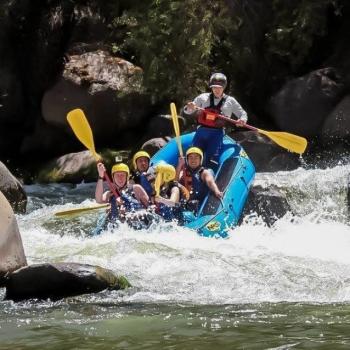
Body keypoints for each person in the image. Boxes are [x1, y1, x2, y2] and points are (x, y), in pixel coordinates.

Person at [183, 72, 248, 167]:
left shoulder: (231, 101)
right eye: (214, 87)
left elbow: (242, 113)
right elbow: (187, 111)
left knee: (210, 157)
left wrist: (242, 120)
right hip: (201, 132)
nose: (216, 90)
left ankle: (208, 174)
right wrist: (189, 107)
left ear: (224, 87)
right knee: (194, 154)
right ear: (211, 87)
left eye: (219, 87)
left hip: (217, 133)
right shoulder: (202, 97)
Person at [177, 147, 223, 212]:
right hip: (185, 202)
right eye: (191, 158)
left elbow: (210, 182)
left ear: (200, 160)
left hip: (199, 203)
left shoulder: (204, 172)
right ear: (187, 160)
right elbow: (175, 182)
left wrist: (216, 191)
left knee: (192, 206)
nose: (193, 160)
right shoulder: (183, 172)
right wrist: (179, 165)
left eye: (196, 158)